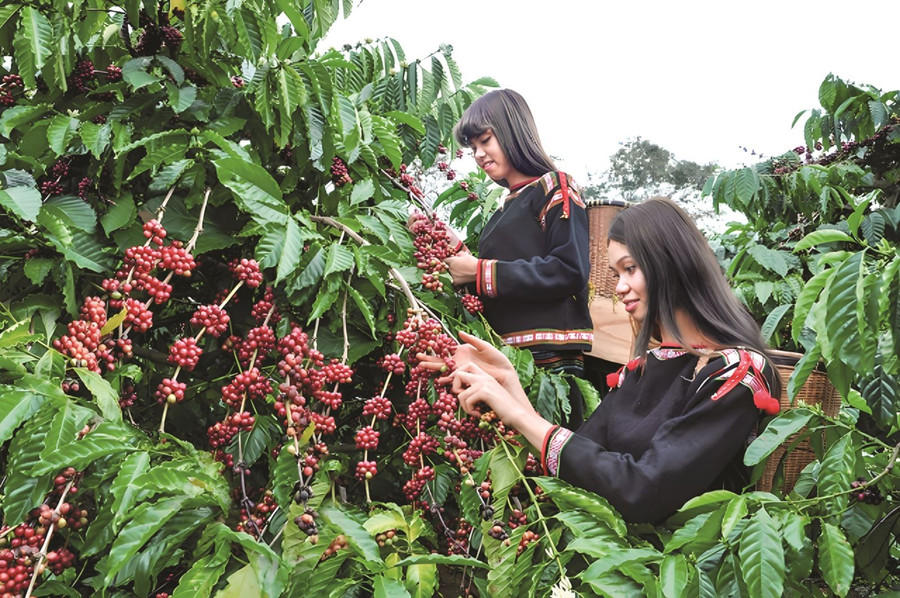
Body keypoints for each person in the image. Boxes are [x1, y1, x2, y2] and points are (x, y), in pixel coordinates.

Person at [424, 197, 783, 524]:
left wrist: (516, 411)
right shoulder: (646, 366)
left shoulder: (736, 373)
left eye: (630, 269)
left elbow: (644, 492)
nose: (620, 287)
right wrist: (509, 383)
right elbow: (582, 464)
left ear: (671, 262)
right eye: (616, 274)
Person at [444, 89, 593, 427]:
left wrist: (478, 271)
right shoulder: (501, 212)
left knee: (549, 463)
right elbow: (497, 281)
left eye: (485, 140)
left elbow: (570, 270)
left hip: (549, 366)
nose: (479, 154)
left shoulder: (556, 188)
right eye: (472, 149)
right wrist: (455, 252)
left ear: (513, 131)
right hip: (502, 361)